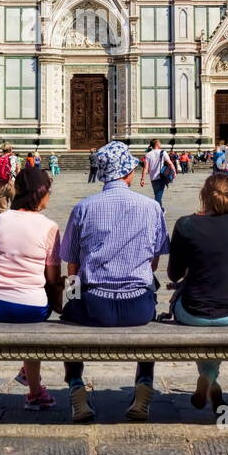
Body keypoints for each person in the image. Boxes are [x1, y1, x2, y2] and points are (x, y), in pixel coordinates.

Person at [58, 141, 167, 424]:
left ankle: (76, 387)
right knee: (150, 323)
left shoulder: (83, 208)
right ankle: (143, 383)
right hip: (139, 307)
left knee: (68, 322)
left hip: (95, 306)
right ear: (128, 174)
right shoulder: (152, 207)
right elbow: (154, 262)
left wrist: (71, 299)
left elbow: (72, 264)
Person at [167, 173, 228, 414]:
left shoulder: (185, 224)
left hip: (191, 311)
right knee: (218, 317)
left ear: (202, 195)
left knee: (200, 313)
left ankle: (208, 376)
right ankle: (210, 376)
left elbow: (173, 275)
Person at [0, 166, 63, 410]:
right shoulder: (50, 227)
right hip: (30, 308)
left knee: (32, 309)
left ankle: (29, 377)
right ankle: (35, 391)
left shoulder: (1, 218)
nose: (50, 195)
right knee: (36, 319)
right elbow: (52, 277)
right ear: (39, 193)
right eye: (49, 191)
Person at [138, 138, 178, 206]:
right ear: (156, 144)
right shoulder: (163, 152)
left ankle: (160, 211)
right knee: (158, 196)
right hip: (161, 177)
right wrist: (174, 172)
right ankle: (157, 211)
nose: (160, 144)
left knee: (157, 194)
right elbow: (170, 163)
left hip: (153, 178)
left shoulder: (148, 154)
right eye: (160, 143)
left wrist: (143, 179)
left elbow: (145, 168)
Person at [0, 143, 18, 214]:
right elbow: (18, 170)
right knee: (15, 206)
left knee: (2, 208)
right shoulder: (14, 158)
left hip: (0, 183)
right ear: (11, 149)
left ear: (2, 150)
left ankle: (2, 223)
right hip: (11, 183)